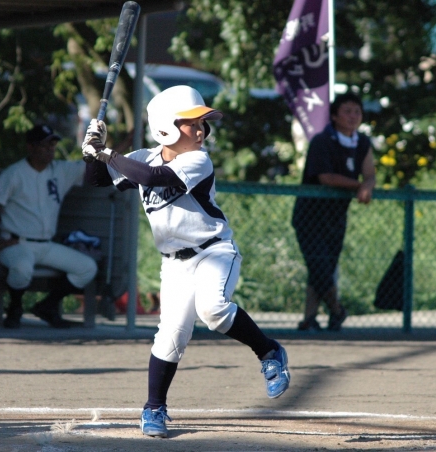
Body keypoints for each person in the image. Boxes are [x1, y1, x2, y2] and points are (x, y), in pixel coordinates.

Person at [82, 85, 290, 438]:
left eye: (202, 123)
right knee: (171, 335)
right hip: (174, 264)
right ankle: (154, 408)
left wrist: (106, 153)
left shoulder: (198, 160)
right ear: (166, 127)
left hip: (213, 251)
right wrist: (90, 151)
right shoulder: (143, 157)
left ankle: (269, 351)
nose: (201, 130)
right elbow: (96, 181)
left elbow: (154, 178)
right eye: (192, 123)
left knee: (213, 309)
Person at [0, 125, 98, 329]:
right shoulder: (15, 172)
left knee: (87, 267)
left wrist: (126, 141)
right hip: (16, 242)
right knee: (22, 267)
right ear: (31, 147)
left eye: (52, 145)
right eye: (45, 145)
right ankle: (15, 308)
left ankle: (47, 306)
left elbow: (94, 161)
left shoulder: (60, 170)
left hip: (45, 244)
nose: (50, 149)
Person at [292, 92, 376, 332]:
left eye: (357, 111)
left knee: (322, 269)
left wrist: (368, 185)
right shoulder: (322, 141)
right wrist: (359, 186)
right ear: (334, 116)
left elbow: (370, 173)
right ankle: (337, 310)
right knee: (320, 266)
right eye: (347, 111)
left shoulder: (362, 142)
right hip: (310, 217)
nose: (353, 116)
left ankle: (309, 319)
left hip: (336, 217)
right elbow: (326, 177)